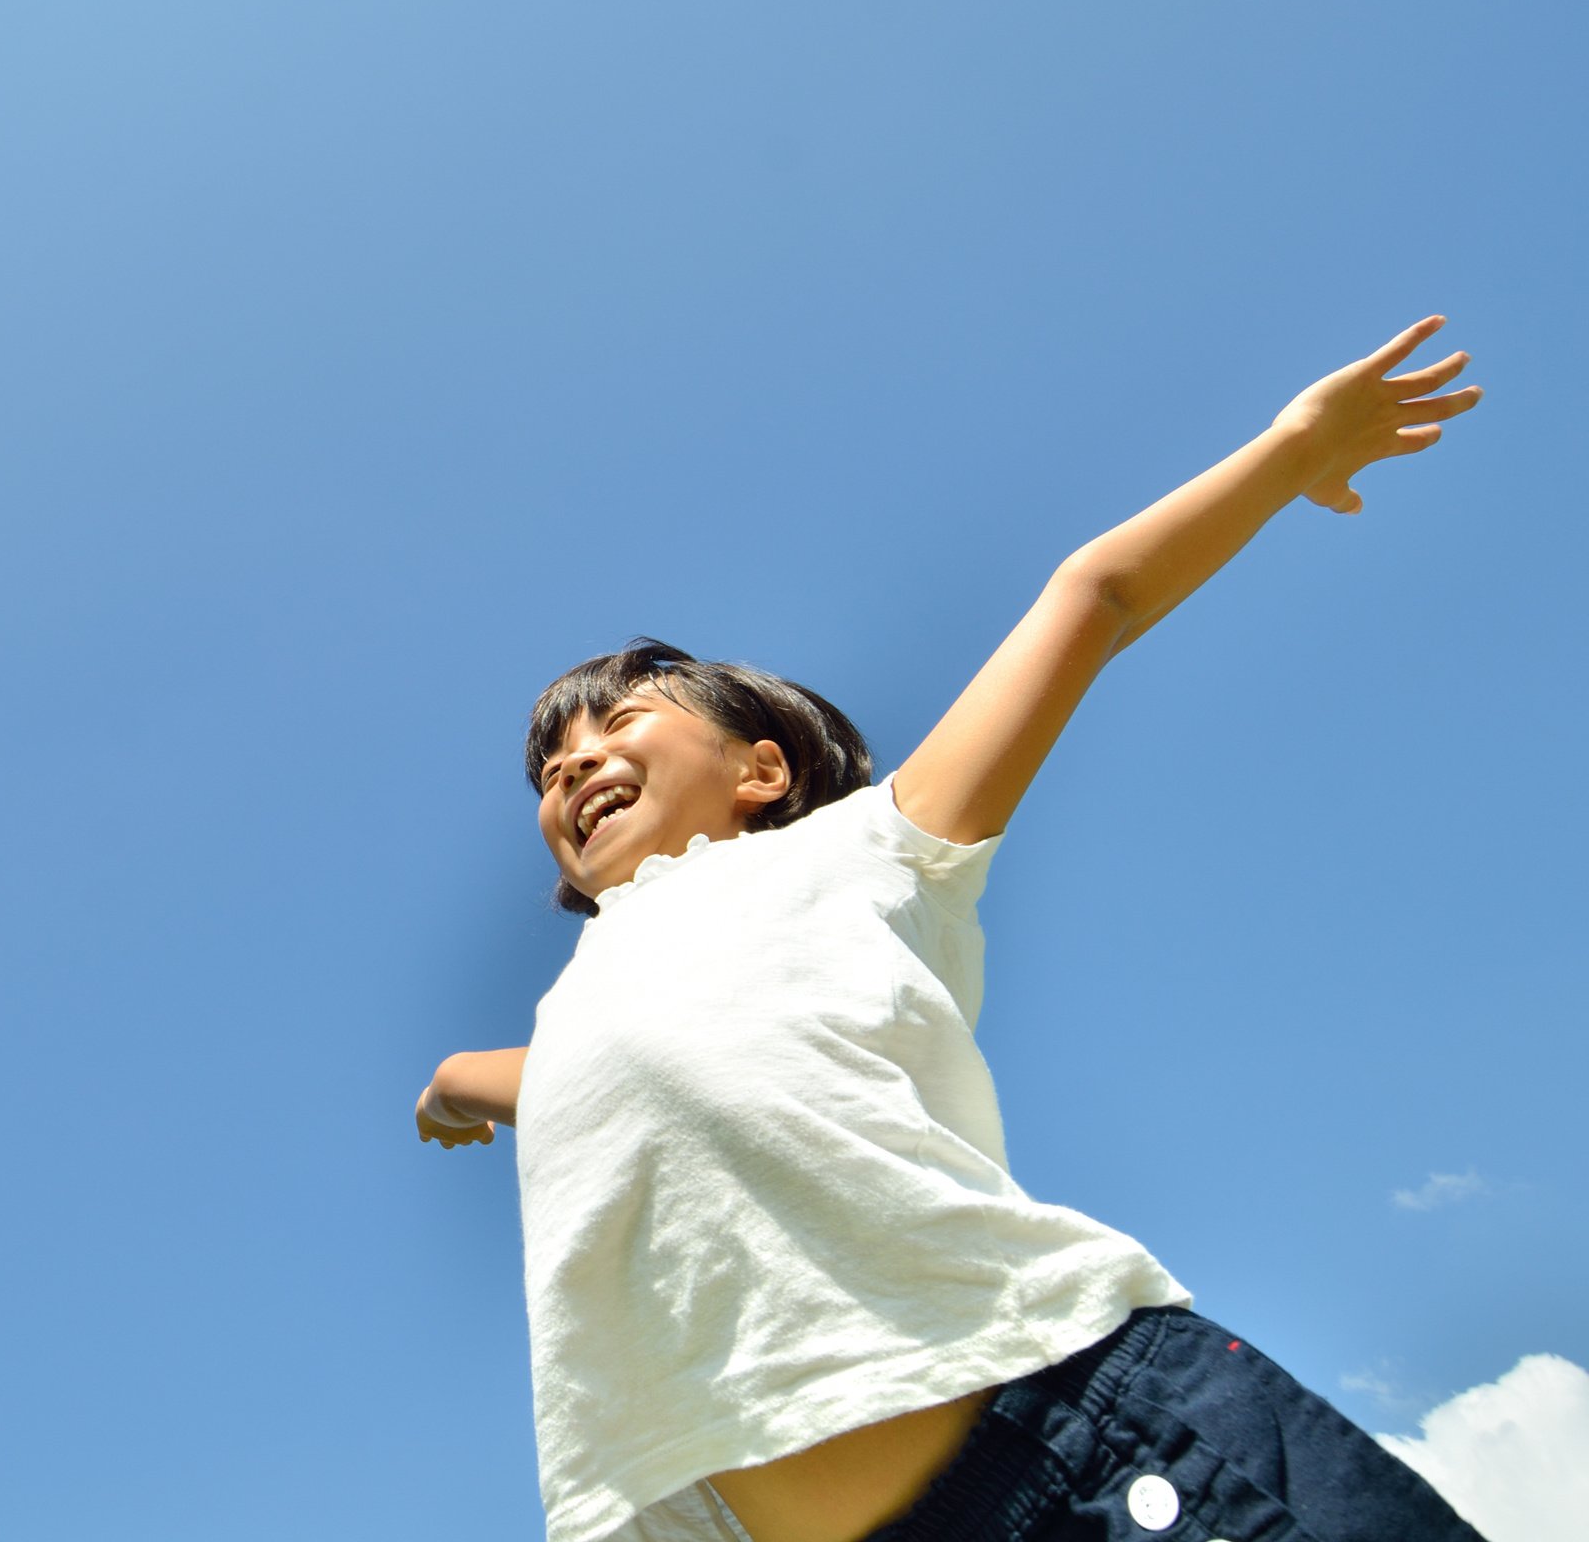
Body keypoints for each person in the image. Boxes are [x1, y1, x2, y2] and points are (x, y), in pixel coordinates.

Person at [414, 316, 1490, 1542]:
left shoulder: (860, 852)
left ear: (763, 770)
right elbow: (550, 1081)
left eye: (619, 726)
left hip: (1085, 1447)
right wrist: (451, 1086)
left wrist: (1292, 449)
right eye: (552, 766)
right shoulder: (582, 1005)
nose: (575, 764)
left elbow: (1094, 595)